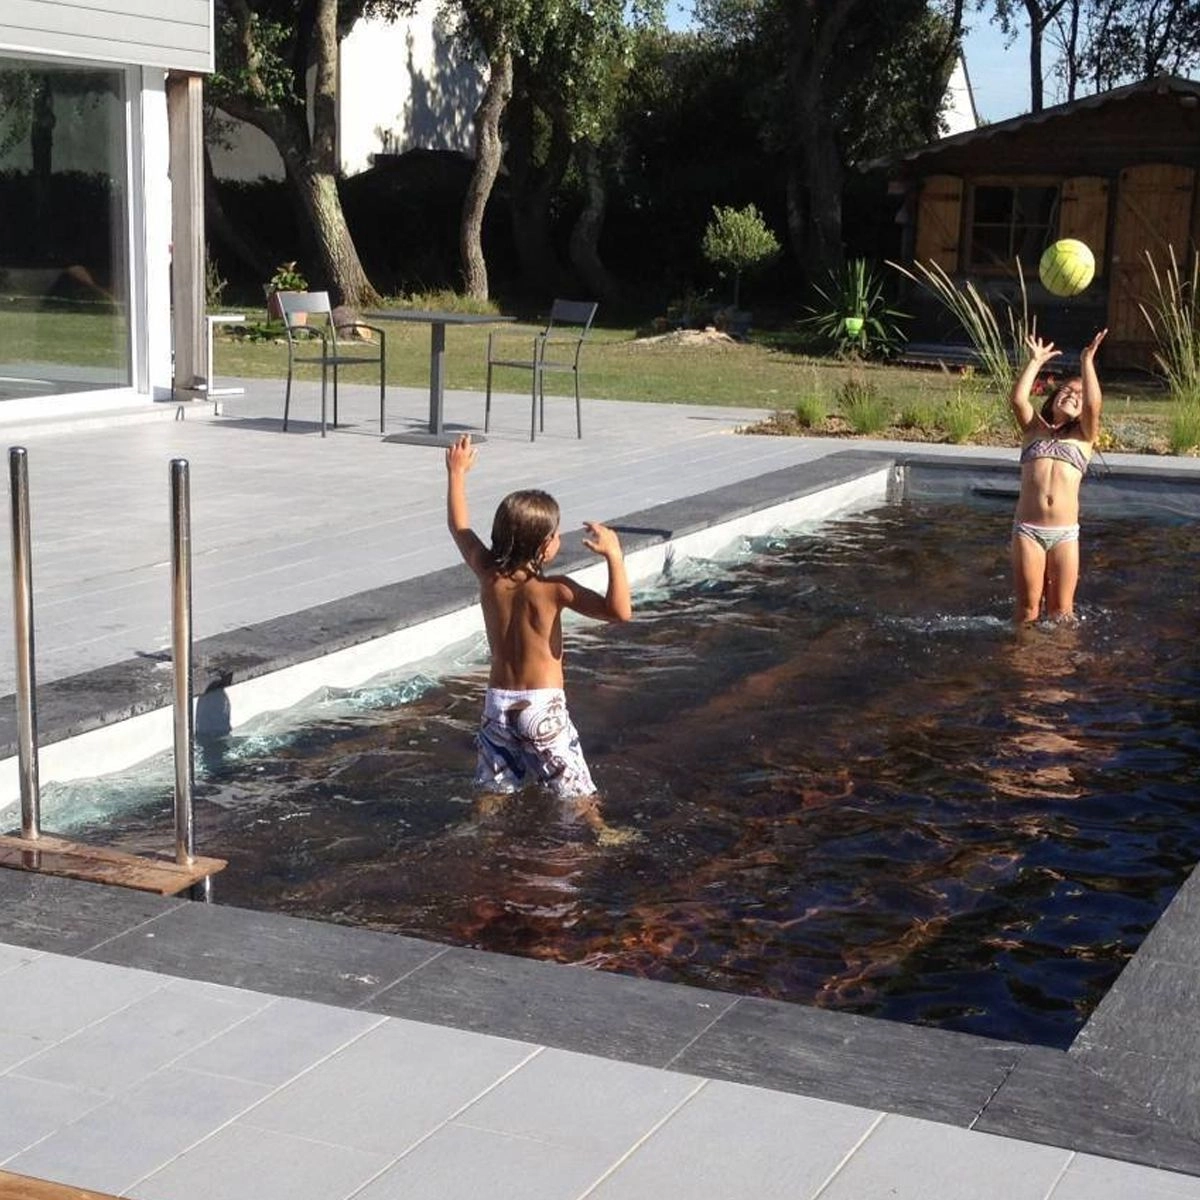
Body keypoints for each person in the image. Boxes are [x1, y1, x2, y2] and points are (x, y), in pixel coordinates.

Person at [445, 433, 632, 817]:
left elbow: (459, 527)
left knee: (493, 791)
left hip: (498, 704)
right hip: (542, 707)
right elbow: (619, 612)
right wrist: (614, 555)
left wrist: (456, 473)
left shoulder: (488, 575)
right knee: (577, 793)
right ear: (545, 546)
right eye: (555, 534)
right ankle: (604, 834)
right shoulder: (554, 590)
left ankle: (480, 834)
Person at [1008, 328, 1107, 624]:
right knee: (1028, 609)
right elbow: (1018, 400)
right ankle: (1022, 651)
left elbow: (1093, 405)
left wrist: (1086, 362)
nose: (1072, 395)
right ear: (1052, 399)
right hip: (1028, 530)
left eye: (1078, 394)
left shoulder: (1084, 436)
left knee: (1062, 613)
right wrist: (1036, 361)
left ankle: (1056, 654)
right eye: (1066, 390)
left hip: (1065, 534)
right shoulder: (1033, 431)